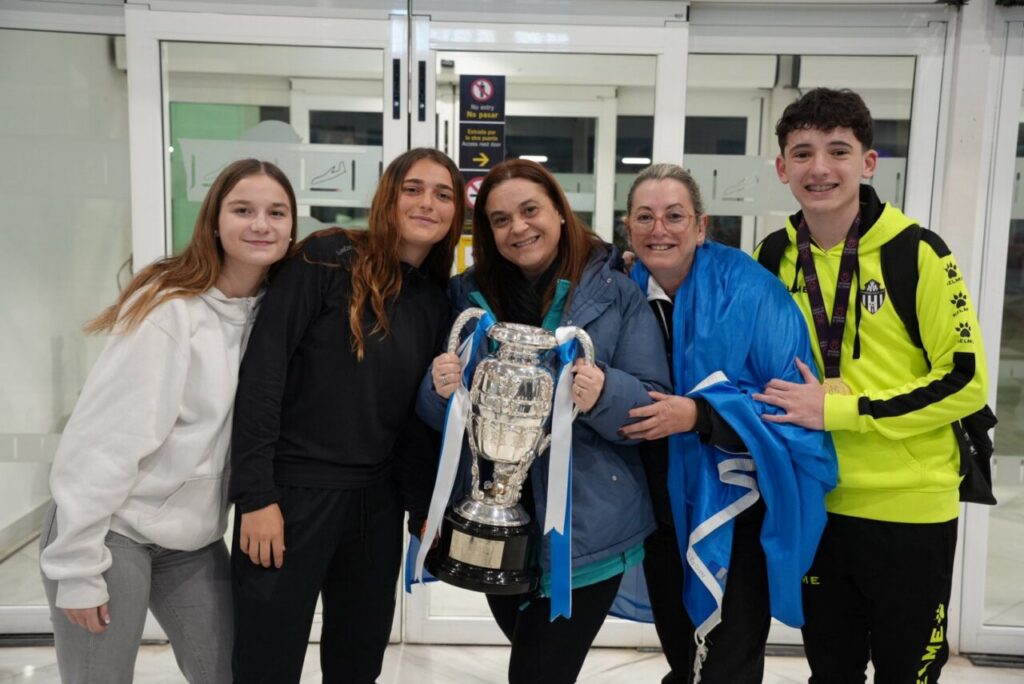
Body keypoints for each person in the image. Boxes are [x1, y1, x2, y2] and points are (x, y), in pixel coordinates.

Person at [753, 87, 989, 683]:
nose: (820, 168)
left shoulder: (919, 253)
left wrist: (841, 410)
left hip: (908, 507)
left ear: (868, 162)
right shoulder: (771, 257)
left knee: (908, 674)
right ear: (782, 168)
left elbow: (965, 382)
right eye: (802, 153)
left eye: (838, 150)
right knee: (829, 673)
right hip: (813, 501)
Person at [39, 159, 296, 683]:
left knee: (228, 673)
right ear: (214, 221)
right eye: (242, 210)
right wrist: (78, 566)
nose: (260, 225)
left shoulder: (277, 314)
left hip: (193, 541)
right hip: (111, 530)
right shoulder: (169, 309)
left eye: (276, 212)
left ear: (293, 227)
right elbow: (102, 440)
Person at [417, 158, 671, 684]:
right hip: (495, 526)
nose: (518, 228)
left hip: (587, 532)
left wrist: (604, 392)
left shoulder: (617, 291)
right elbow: (439, 418)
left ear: (559, 211)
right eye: (500, 219)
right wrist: (437, 391)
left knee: (536, 673)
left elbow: (653, 403)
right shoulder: (467, 295)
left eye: (530, 210)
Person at [229, 148, 464, 683]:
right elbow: (263, 375)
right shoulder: (327, 258)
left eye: (443, 194)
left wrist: (421, 505)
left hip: (375, 506)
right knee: (266, 663)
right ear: (388, 197)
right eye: (412, 189)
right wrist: (256, 496)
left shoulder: (434, 300)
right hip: (292, 496)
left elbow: (411, 419)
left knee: (358, 663)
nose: (427, 203)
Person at [618, 163, 837, 683]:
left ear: (700, 226)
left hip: (736, 511)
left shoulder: (752, 292)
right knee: (684, 655)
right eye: (645, 217)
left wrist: (699, 414)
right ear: (628, 229)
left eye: (675, 216)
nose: (659, 229)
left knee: (728, 664)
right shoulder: (619, 291)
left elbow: (789, 407)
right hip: (657, 510)